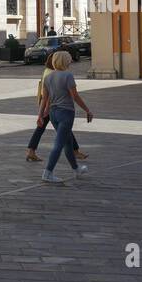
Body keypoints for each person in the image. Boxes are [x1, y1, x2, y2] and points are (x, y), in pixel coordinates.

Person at [37, 49, 93, 185]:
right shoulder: (68, 76)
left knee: (67, 142)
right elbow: (75, 96)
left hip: (53, 113)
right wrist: (87, 110)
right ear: (65, 61)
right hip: (66, 113)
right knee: (59, 144)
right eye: (69, 59)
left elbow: (45, 98)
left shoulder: (48, 77)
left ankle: (76, 169)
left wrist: (40, 114)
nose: (71, 61)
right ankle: (48, 172)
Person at [26, 53, 87, 162]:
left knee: (42, 128)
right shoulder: (54, 73)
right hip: (53, 106)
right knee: (62, 129)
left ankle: (31, 151)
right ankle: (74, 152)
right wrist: (46, 109)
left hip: (49, 104)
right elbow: (49, 95)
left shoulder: (47, 72)